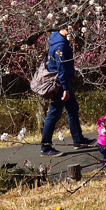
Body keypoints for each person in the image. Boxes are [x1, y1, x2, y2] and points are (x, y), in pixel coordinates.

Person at [40, 23, 94, 155]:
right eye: (74, 28)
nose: (75, 31)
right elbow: (62, 68)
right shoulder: (61, 45)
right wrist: (65, 89)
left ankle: (78, 140)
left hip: (64, 83)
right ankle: (45, 147)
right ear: (66, 27)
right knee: (53, 115)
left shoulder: (58, 40)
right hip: (60, 85)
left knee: (73, 109)